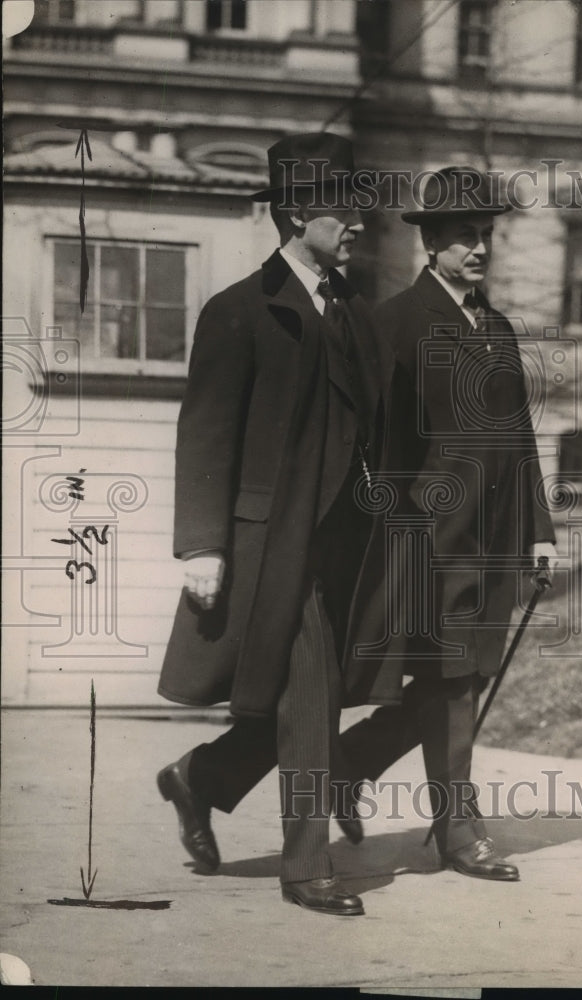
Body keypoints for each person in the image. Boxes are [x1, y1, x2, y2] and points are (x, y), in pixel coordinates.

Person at [156, 132, 394, 917]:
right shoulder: (239, 310)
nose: (358, 221)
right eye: (343, 208)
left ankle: (199, 779)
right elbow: (206, 430)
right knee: (305, 706)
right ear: (297, 213)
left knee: (306, 705)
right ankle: (306, 868)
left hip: (340, 546)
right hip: (268, 545)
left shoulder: (355, 312)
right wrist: (201, 544)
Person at [340, 166, 558, 882]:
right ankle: (458, 831)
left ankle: (349, 766)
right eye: (463, 236)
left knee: (450, 680)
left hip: (492, 539)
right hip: (431, 540)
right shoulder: (395, 322)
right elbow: (369, 438)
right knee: (455, 681)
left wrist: (540, 529)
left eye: (485, 235)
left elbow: (518, 436)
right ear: (430, 242)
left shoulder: (494, 327)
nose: (478, 249)